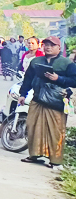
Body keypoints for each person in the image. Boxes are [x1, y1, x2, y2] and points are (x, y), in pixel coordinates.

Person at [19, 36, 76, 169]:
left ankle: (55, 161)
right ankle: (34, 155)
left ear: (59, 48)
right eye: (46, 45)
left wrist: (59, 79)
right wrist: (23, 94)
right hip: (37, 99)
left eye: (52, 45)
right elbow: (28, 79)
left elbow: (74, 81)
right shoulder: (36, 61)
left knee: (56, 131)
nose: (48, 47)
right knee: (33, 127)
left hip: (56, 102)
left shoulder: (67, 63)